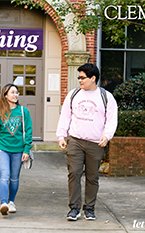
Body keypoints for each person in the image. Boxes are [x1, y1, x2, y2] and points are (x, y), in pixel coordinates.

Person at [56, 63, 118, 221]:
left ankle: (89, 208)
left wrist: (107, 135)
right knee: (74, 173)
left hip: (95, 143)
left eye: (83, 78)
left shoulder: (106, 97)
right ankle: (74, 208)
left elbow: (111, 120)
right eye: (79, 77)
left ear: (93, 78)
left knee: (92, 177)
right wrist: (61, 136)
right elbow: (65, 116)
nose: (80, 81)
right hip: (75, 140)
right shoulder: (74, 94)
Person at [0, 83, 33, 216]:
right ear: (5, 95)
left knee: (14, 178)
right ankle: (4, 203)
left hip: (18, 149)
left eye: (17, 92)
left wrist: (26, 149)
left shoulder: (24, 112)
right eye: (12, 92)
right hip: (2, 148)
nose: (15, 95)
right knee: (4, 175)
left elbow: (28, 131)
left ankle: (11, 201)